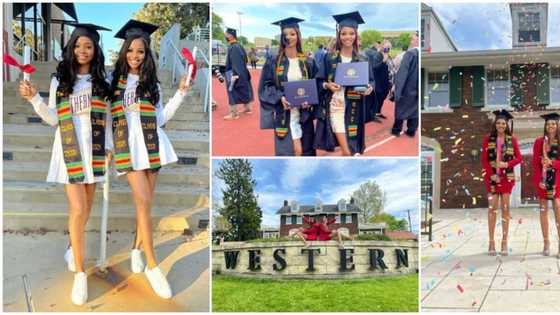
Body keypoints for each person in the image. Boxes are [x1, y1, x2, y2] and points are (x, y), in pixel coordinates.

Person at [18, 23, 113, 306]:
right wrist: (34, 99)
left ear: (95, 50)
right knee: (79, 208)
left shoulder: (101, 82)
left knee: (87, 208)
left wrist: (108, 145)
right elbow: (53, 119)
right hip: (69, 149)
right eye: (78, 45)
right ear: (71, 48)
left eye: (88, 46)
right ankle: (80, 274)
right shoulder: (61, 80)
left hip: (94, 151)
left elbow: (107, 117)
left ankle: (73, 246)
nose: (82, 50)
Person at [110, 19, 191, 299]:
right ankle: (153, 266)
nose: (135, 56)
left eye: (141, 52)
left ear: (147, 55)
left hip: (153, 145)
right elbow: (108, 117)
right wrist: (109, 147)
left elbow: (160, 118)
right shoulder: (113, 82)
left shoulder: (150, 82)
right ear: (124, 53)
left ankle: (135, 249)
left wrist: (181, 92)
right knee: (144, 204)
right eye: (131, 51)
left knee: (144, 205)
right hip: (127, 148)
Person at [315, 11, 374, 156]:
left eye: (351, 33)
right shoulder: (329, 58)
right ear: (339, 35)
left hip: (354, 108)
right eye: (344, 33)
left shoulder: (362, 59)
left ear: (356, 35)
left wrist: (369, 88)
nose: (348, 37)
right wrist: (327, 85)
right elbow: (319, 81)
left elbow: (371, 81)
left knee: (350, 150)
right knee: (347, 151)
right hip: (336, 106)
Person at [259, 17, 318, 156]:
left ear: (298, 36)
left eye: (292, 34)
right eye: (285, 35)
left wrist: (309, 100)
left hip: (303, 114)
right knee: (293, 151)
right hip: (285, 114)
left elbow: (317, 85)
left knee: (305, 152)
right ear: (281, 38)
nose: (289, 37)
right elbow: (265, 86)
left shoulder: (308, 62)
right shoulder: (273, 61)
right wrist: (280, 97)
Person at [481, 109, 522, 256]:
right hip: (492, 179)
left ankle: (504, 242)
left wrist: (507, 164)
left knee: (505, 208)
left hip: (506, 178)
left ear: (506, 125)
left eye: (503, 123)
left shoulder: (512, 140)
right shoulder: (488, 139)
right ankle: (491, 242)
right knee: (492, 209)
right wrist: (492, 175)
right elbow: (484, 160)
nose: (500, 125)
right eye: (498, 123)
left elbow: (519, 158)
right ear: (495, 124)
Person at [532, 113, 560, 257]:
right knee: (543, 210)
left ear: (557, 126)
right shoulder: (539, 142)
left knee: (557, 208)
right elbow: (535, 164)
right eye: (548, 124)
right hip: (543, 181)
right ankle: (546, 242)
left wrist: (552, 163)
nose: (551, 126)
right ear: (545, 126)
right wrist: (539, 182)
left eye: (553, 124)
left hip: (557, 180)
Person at [392, 32, 418, 137]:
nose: (411, 39)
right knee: (415, 110)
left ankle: (396, 130)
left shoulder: (410, 53)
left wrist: (397, 90)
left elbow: (403, 72)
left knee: (401, 108)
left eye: (413, 38)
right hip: (417, 89)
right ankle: (411, 130)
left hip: (407, 88)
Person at [223, 27, 253, 120]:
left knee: (232, 91)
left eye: (227, 34)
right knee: (244, 90)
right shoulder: (238, 45)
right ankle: (248, 108)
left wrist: (235, 75)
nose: (225, 35)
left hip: (234, 72)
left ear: (231, 36)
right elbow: (245, 60)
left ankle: (234, 113)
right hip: (242, 72)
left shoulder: (234, 47)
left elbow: (236, 62)